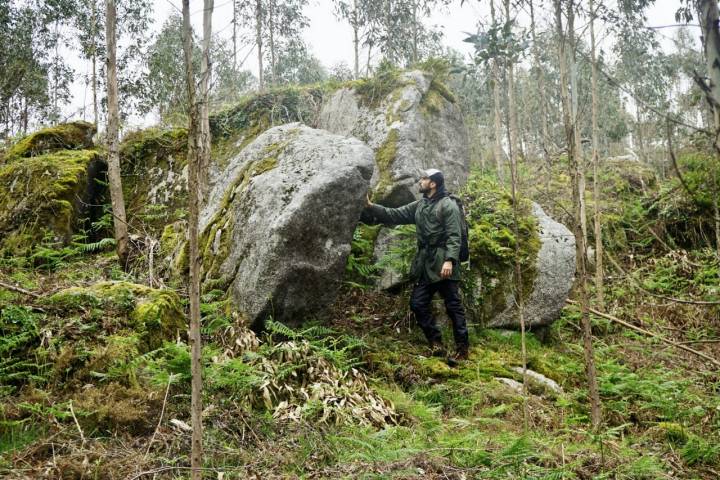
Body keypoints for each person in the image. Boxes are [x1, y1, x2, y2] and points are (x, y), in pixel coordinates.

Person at [364, 168, 469, 361]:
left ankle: (462, 350)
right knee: (417, 303)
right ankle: (436, 342)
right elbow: (394, 214)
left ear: (433, 183)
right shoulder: (420, 205)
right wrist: (371, 207)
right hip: (426, 264)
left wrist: (449, 261)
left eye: (424, 179)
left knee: (453, 306)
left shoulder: (448, 205)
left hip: (445, 263)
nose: (420, 181)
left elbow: (455, 236)